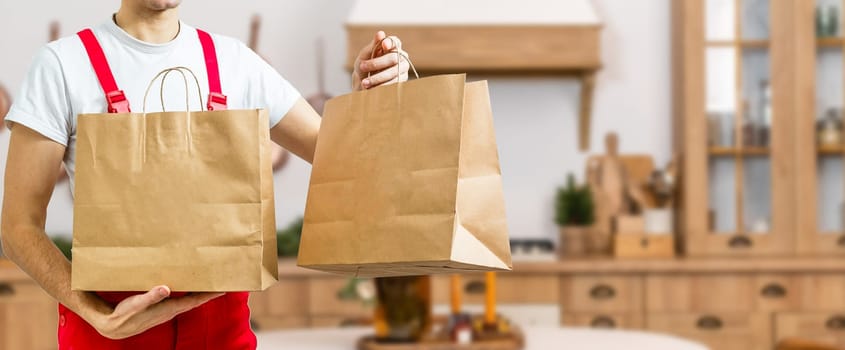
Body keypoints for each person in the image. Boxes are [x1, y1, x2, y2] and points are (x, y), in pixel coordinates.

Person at [0, 0, 410, 348]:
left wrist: (368, 97)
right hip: (108, 330)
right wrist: (97, 314)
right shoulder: (62, 65)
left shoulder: (237, 63)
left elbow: (344, 160)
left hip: (222, 332)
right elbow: (18, 226)